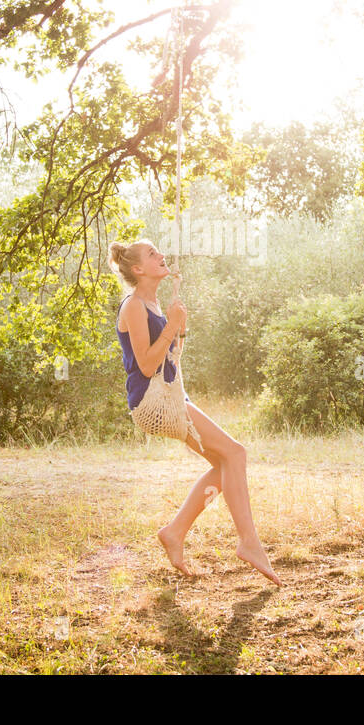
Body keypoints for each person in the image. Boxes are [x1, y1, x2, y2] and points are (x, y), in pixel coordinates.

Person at [109, 238, 282, 586]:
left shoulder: (155, 303)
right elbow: (145, 366)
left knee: (226, 463)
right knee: (235, 453)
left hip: (173, 398)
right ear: (139, 269)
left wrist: (179, 324)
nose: (162, 257)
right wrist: (172, 325)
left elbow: (172, 356)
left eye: (159, 251)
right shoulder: (132, 306)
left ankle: (175, 532)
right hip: (152, 402)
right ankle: (249, 542)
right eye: (153, 254)